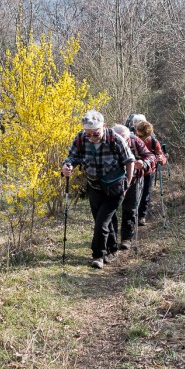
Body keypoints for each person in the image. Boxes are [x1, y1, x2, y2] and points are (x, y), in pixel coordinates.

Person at [61, 110, 135, 269]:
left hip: (115, 188)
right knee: (103, 221)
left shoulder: (116, 139)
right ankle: (112, 250)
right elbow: (71, 158)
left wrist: (127, 184)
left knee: (101, 222)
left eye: (95, 134)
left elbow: (130, 161)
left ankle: (98, 255)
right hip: (94, 187)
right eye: (88, 134)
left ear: (104, 126)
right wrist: (67, 167)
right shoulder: (81, 138)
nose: (92, 138)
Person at [111, 125, 156, 250]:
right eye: (118, 139)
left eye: (124, 139)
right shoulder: (108, 140)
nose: (121, 142)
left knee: (130, 210)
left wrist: (143, 163)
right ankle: (111, 240)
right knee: (110, 211)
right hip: (112, 182)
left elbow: (150, 156)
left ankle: (126, 239)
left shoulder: (135, 140)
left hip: (134, 181)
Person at [135, 120, 167, 225]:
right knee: (135, 193)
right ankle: (133, 214)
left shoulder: (154, 142)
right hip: (135, 172)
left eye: (144, 137)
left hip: (149, 172)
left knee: (145, 194)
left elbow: (162, 158)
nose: (141, 139)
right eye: (139, 136)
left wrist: (160, 159)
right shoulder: (133, 140)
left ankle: (141, 216)